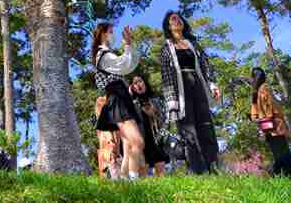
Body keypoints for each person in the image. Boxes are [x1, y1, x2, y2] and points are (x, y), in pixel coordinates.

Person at [159, 11, 220, 175]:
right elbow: (166, 77)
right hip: (181, 91)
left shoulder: (193, 43)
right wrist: (171, 102)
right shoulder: (166, 49)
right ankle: (197, 170)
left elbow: (206, 65)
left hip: (198, 85)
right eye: (173, 19)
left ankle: (213, 166)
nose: (176, 20)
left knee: (205, 124)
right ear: (168, 26)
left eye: (179, 18)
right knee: (188, 130)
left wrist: (212, 85)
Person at [92, 22, 147, 180]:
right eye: (110, 31)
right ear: (102, 34)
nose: (113, 34)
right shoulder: (103, 55)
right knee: (137, 142)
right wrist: (128, 46)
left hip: (122, 97)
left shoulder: (108, 53)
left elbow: (128, 64)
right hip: (117, 98)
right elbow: (124, 65)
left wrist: (128, 45)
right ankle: (134, 181)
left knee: (129, 145)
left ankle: (124, 179)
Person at [249, 67, 291, 180]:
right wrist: (277, 113)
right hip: (275, 126)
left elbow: (254, 114)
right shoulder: (265, 87)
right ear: (263, 76)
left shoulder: (254, 92)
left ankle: (281, 177)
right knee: (284, 155)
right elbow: (271, 105)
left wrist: (260, 119)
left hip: (266, 128)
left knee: (279, 154)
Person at [129, 74, 169, 177]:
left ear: (145, 83)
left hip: (156, 140)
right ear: (132, 87)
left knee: (161, 171)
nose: (138, 84)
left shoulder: (155, 101)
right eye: (135, 83)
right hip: (142, 141)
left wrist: (153, 114)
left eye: (140, 81)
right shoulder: (132, 103)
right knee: (143, 173)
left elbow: (164, 120)